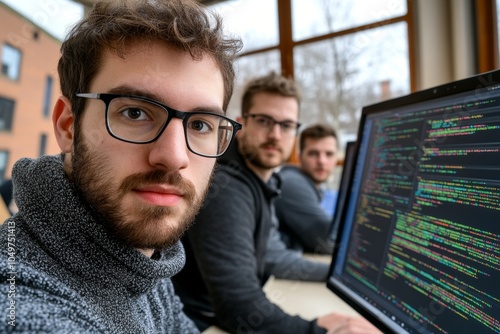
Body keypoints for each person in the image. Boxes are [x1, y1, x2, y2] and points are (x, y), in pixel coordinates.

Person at [0, 0, 242, 332]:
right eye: (135, 113)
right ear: (68, 126)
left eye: (200, 125)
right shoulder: (24, 306)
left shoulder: (145, 258)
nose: (174, 157)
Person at [172, 72, 380, 334]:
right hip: (204, 324)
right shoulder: (226, 187)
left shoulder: (262, 181)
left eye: (287, 125)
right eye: (263, 121)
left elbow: (271, 258)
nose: (275, 134)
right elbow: (239, 308)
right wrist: (316, 331)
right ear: (241, 123)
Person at [274, 124, 339, 254]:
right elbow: (328, 240)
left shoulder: (303, 182)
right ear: (299, 157)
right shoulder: (291, 183)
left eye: (329, 154)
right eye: (313, 153)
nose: (322, 161)